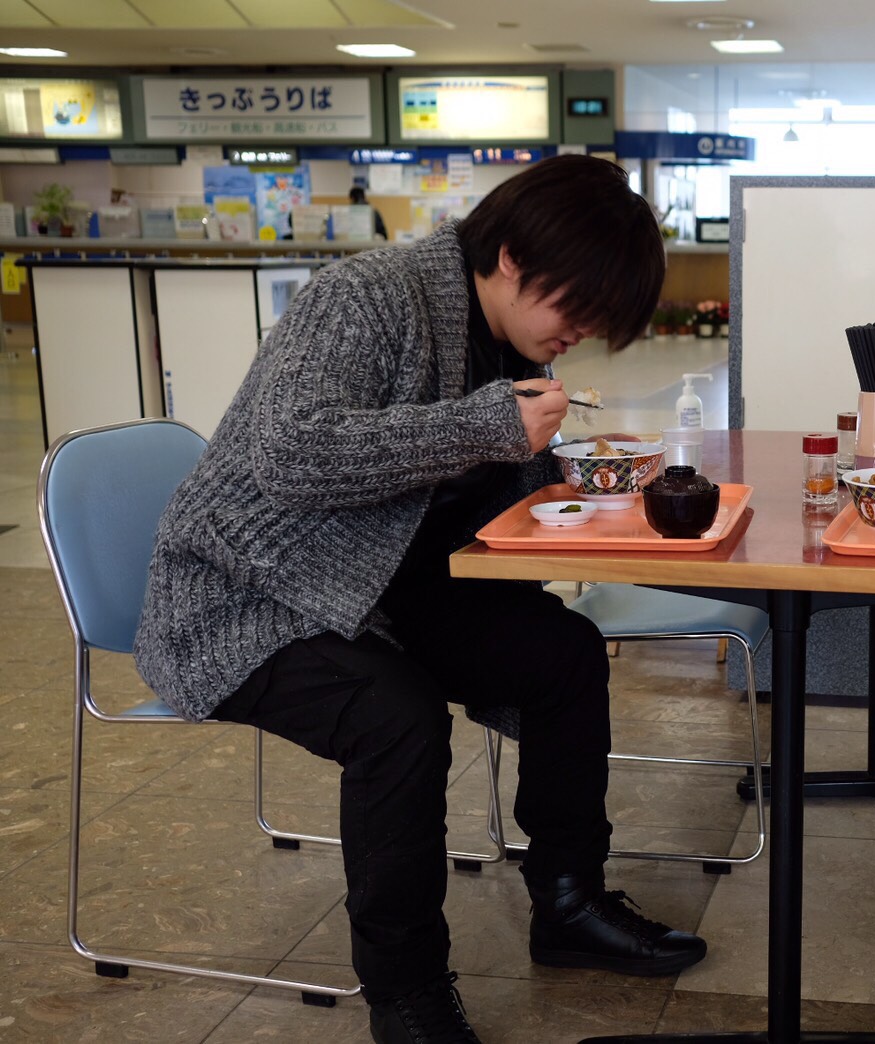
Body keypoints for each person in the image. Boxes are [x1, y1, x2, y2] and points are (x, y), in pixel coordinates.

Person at [133, 155, 704, 1044]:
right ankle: (406, 994)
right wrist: (486, 424)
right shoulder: (366, 296)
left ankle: (568, 901)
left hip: (385, 590)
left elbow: (462, 489)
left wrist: (566, 470)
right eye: (580, 306)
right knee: (394, 715)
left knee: (564, 654)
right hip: (249, 595)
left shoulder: (507, 338)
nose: (584, 332)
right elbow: (291, 452)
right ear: (512, 257)